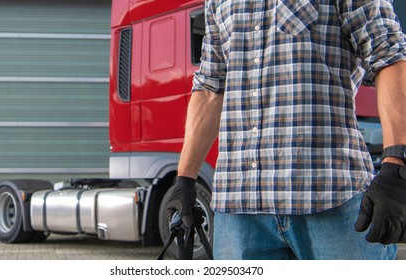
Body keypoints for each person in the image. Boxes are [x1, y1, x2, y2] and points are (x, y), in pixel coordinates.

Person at [166, 0, 406, 260]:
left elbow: (388, 55)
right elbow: (211, 85)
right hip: (239, 208)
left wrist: (397, 165)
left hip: (330, 198)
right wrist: (185, 178)